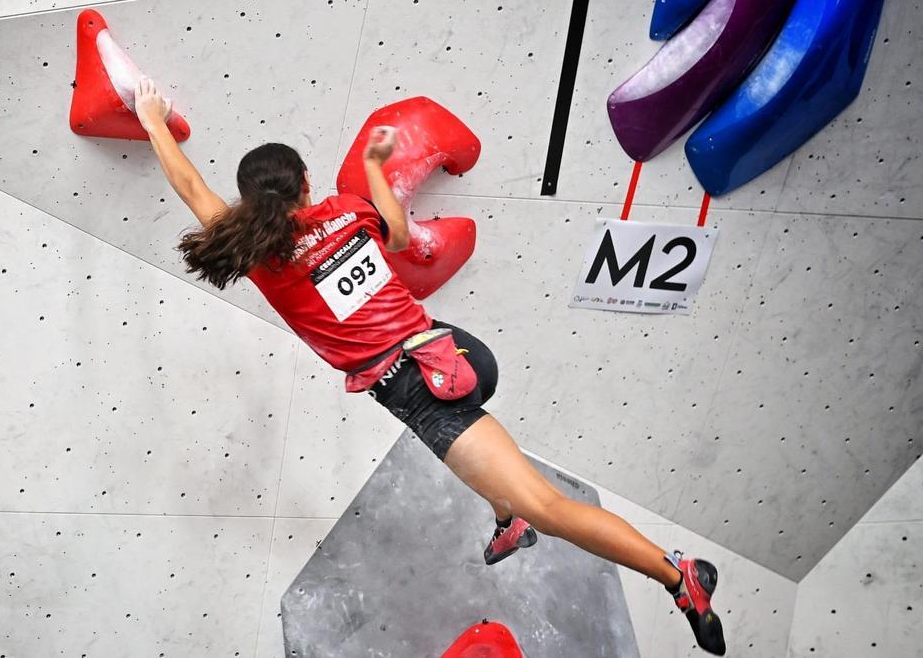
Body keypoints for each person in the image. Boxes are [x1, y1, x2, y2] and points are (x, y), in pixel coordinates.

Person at [133, 77, 726, 655]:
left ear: (250, 202)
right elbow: (397, 235)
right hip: (451, 349)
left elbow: (189, 185)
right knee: (506, 490)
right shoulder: (345, 212)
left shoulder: (264, 256)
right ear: (306, 185)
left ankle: (679, 577)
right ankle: (507, 520)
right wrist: (372, 169)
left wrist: (153, 119)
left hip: (425, 391)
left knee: (546, 505)